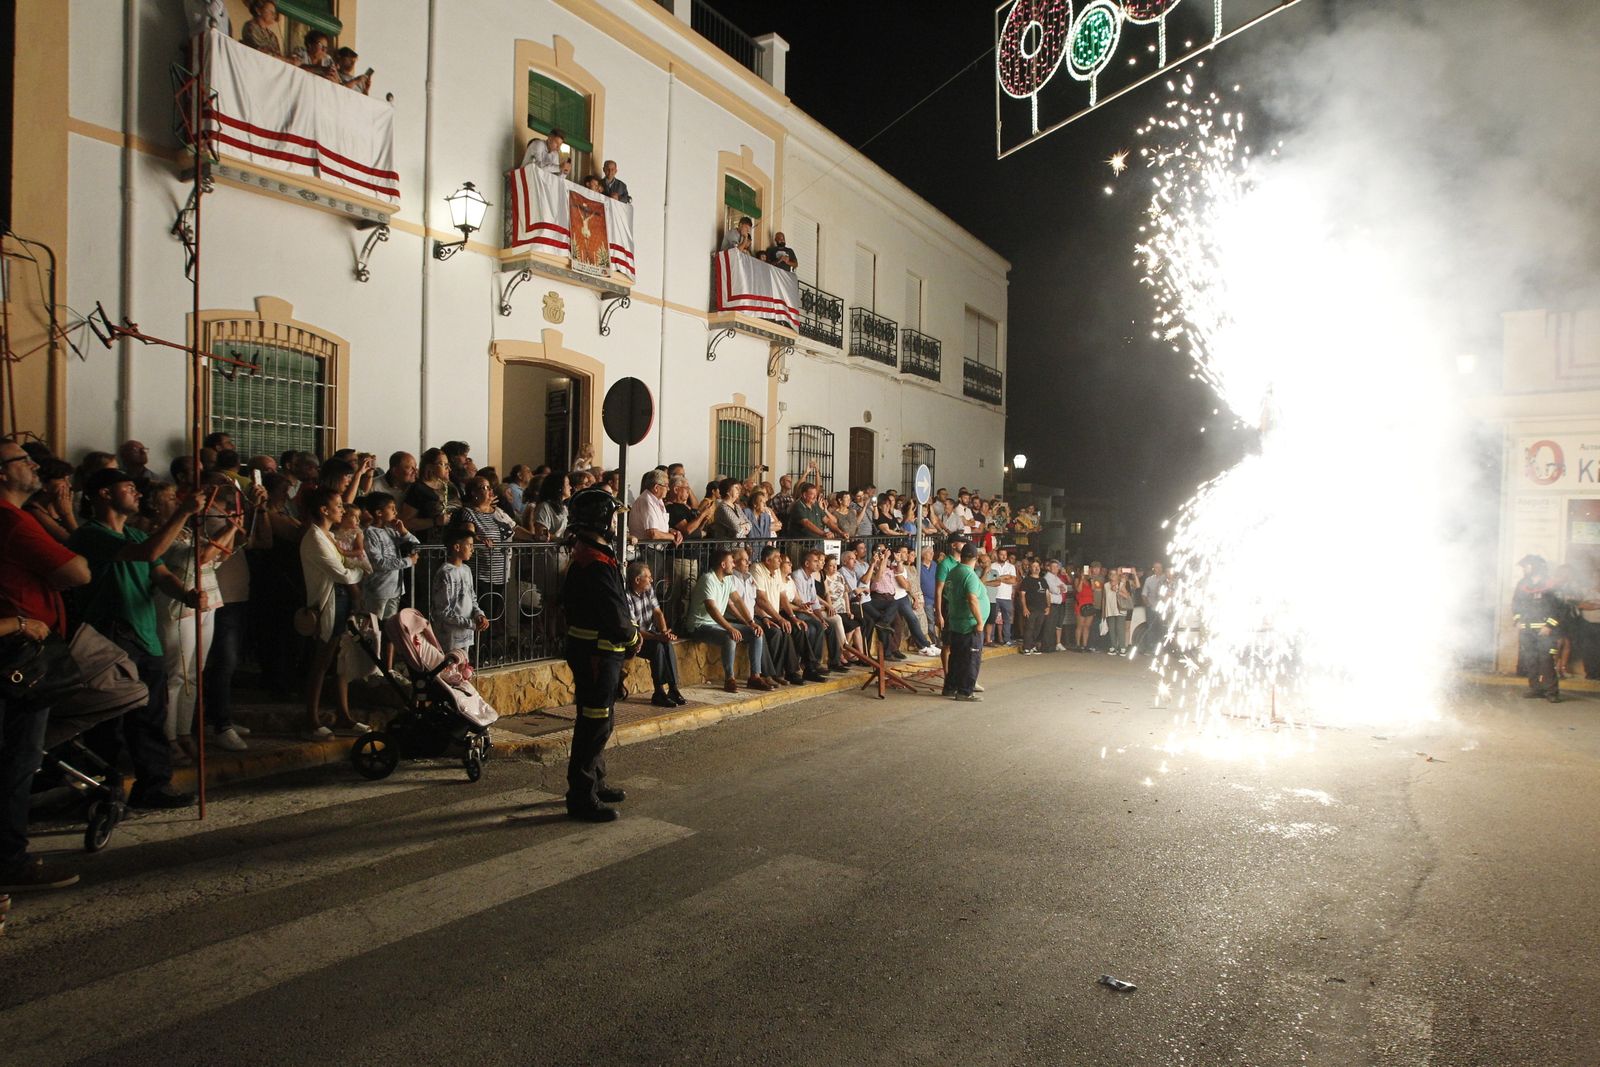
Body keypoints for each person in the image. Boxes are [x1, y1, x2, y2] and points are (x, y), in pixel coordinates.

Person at [69, 468, 203, 809]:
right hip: (109, 638)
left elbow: (159, 573)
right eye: (128, 487)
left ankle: (153, 785)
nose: (137, 493)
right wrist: (183, 511)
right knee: (109, 722)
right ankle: (104, 793)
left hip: (145, 635)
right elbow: (147, 554)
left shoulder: (131, 532)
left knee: (150, 717)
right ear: (103, 494)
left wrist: (186, 594)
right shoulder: (91, 535)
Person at [0, 441, 92, 890]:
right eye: (22, 460)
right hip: (16, 655)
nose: (33, 465)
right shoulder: (12, 521)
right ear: (2, 473)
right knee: (17, 760)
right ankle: (9, 859)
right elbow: (78, 571)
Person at [560, 487, 639, 821]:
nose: (615, 523)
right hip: (596, 653)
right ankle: (581, 796)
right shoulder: (593, 560)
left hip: (598, 652)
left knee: (599, 721)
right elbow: (614, 615)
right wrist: (634, 636)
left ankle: (594, 782)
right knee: (594, 724)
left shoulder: (593, 553)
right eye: (611, 516)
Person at [299, 487, 372, 739]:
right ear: (323, 510)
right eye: (339, 505)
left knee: (340, 661)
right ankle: (311, 720)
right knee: (321, 662)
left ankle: (343, 715)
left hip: (340, 598)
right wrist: (360, 572)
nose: (343, 509)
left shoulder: (328, 535)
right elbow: (341, 572)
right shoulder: (315, 538)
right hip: (328, 601)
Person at [686, 547, 772, 694]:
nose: (734, 565)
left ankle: (755, 677)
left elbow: (737, 600)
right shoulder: (708, 579)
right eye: (731, 562)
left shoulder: (727, 580)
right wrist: (730, 628)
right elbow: (712, 609)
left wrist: (751, 623)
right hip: (700, 625)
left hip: (715, 624)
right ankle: (729, 679)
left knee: (756, 632)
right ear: (723, 565)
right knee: (729, 636)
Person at [625, 561, 685, 708]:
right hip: (633, 639)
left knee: (666, 643)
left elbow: (657, 612)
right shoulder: (626, 596)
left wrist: (664, 632)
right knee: (657, 646)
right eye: (648, 577)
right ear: (637, 580)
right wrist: (658, 637)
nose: (652, 580)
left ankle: (673, 688)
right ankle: (659, 691)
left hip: (650, 633)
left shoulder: (648, 589)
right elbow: (634, 630)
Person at [1511, 554, 1562, 702]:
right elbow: (1515, 603)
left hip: (1545, 630)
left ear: (1536, 567)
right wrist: (1518, 620)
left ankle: (1551, 692)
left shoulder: (1551, 584)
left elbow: (1558, 608)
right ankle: (1535, 688)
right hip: (1526, 629)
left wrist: (1549, 625)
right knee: (1530, 660)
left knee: (1546, 660)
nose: (1524, 569)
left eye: (1526, 566)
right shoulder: (1522, 584)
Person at [941, 543, 988, 701]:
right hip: (969, 625)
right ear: (975, 558)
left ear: (961, 556)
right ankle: (965, 691)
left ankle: (950, 687)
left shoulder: (953, 572)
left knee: (956, 658)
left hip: (956, 622)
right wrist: (980, 622)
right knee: (970, 660)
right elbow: (972, 599)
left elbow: (947, 595)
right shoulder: (970, 575)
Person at [401, 447, 458, 542]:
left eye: (448, 464)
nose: (449, 468)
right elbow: (406, 522)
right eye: (444, 464)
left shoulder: (451, 487)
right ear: (429, 466)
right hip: (429, 546)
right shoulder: (418, 489)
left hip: (455, 544)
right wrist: (434, 521)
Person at [628, 469, 679, 544]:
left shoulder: (658, 500)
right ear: (656, 488)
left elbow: (659, 527)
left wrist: (671, 531)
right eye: (666, 485)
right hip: (647, 549)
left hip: (655, 549)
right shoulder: (646, 501)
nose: (668, 489)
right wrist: (672, 537)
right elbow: (653, 534)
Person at [982, 547, 1017, 645]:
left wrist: (998, 579)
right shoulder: (992, 566)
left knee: (1007, 619)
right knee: (992, 619)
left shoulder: (1011, 567)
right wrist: (1005, 577)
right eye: (1001, 554)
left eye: (1005, 554)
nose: (1004, 556)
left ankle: (1007, 639)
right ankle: (991, 639)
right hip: (994, 596)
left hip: (1006, 597)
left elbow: (1013, 580)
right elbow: (990, 580)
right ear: (997, 555)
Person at [1018, 559, 1050, 654]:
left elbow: (1047, 594)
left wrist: (1048, 606)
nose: (1036, 568)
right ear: (1030, 568)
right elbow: (1022, 594)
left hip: (1042, 608)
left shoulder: (1043, 580)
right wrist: (1024, 607)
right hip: (1031, 608)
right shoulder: (1027, 580)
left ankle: (1033, 646)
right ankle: (1026, 647)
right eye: (1034, 566)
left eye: (1038, 566)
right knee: (1029, 627)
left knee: (1038, 628)